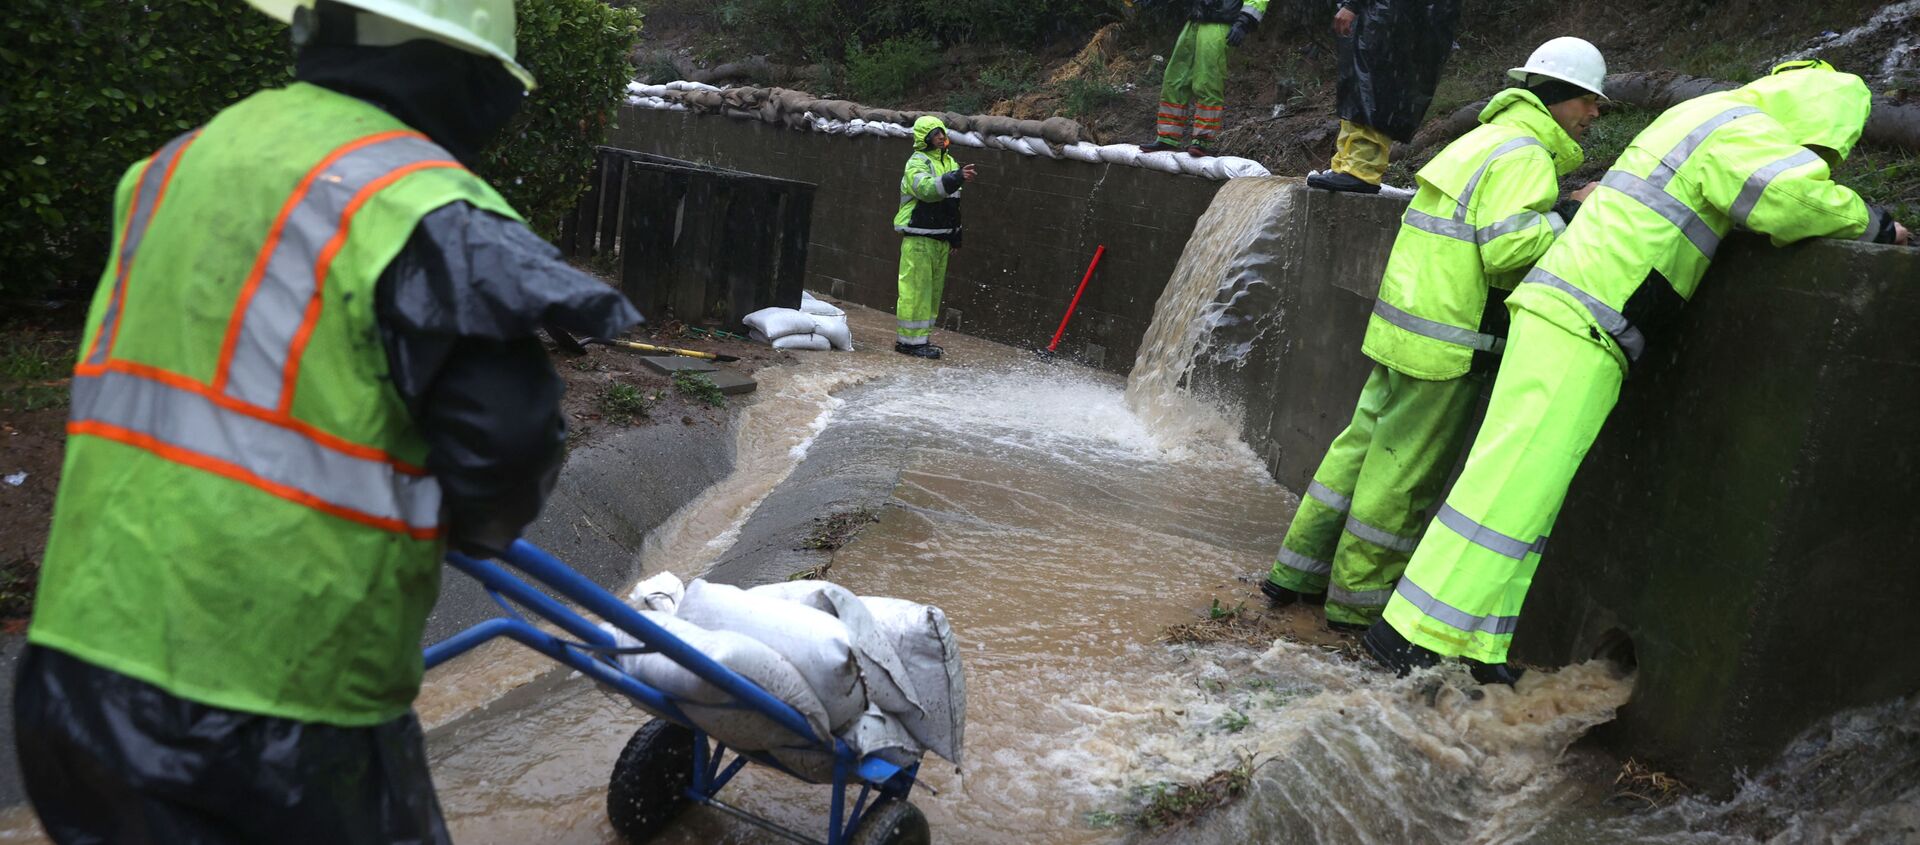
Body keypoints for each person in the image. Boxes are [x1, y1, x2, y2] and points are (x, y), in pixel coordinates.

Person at [13, 0, 642, 840]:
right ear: (466, 74)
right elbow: (507, 443)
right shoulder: (417, 205)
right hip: (271, 709)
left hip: (73, 675)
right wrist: (478, 525)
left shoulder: (174, 164)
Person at [1364, 60, 1911, 683]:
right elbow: (1789, 199)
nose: (1816, 157)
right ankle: (1409, 637)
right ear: (1818, 117)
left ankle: (1479, 647)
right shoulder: (1741, 130)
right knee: (1506, 486)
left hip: (1574, 313)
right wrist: (1874, 223)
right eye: (1821, 147)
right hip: (1584, 320)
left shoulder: (1702, 115)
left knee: (1529, 494)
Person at [1264, 38, 1609, 637]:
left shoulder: (1479, 140)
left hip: (1403, 328)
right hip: (1448, 344)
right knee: (1400, 478)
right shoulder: (1525, 157)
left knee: (1355, 452)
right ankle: (1357, 606)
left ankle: (1294, 575)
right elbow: (1508, 252)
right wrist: (1572, 216)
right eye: (1589, 102)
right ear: (1559, 99)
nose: (1596, 114)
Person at [1308, 0, 1462, 194]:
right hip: (1404, 14)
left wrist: (1352, 5)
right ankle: (1350, 165)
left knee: (1373, 88)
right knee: (1369, 87)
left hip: (1389, 13)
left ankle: (1360, 170)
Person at [1138, 0, 1270, 156]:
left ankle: (1202, 140)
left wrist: (1243, 23)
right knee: (1174, 79)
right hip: (1196, 20)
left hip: (1220, 22)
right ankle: (1167, 138)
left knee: (1207, 80)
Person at [894, 115, 975, 359]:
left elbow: (952, 205)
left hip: (939, 238)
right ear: (925, 138)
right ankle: (908, 343)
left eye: (942, 132)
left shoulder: (949, 162)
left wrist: (955, 236)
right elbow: (927, 190)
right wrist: (956, 177)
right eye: (936, 133)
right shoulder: (917, 162)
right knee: (916, 291)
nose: (941, 137)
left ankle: (920, 340)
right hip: (919, 239)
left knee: (931, 293)